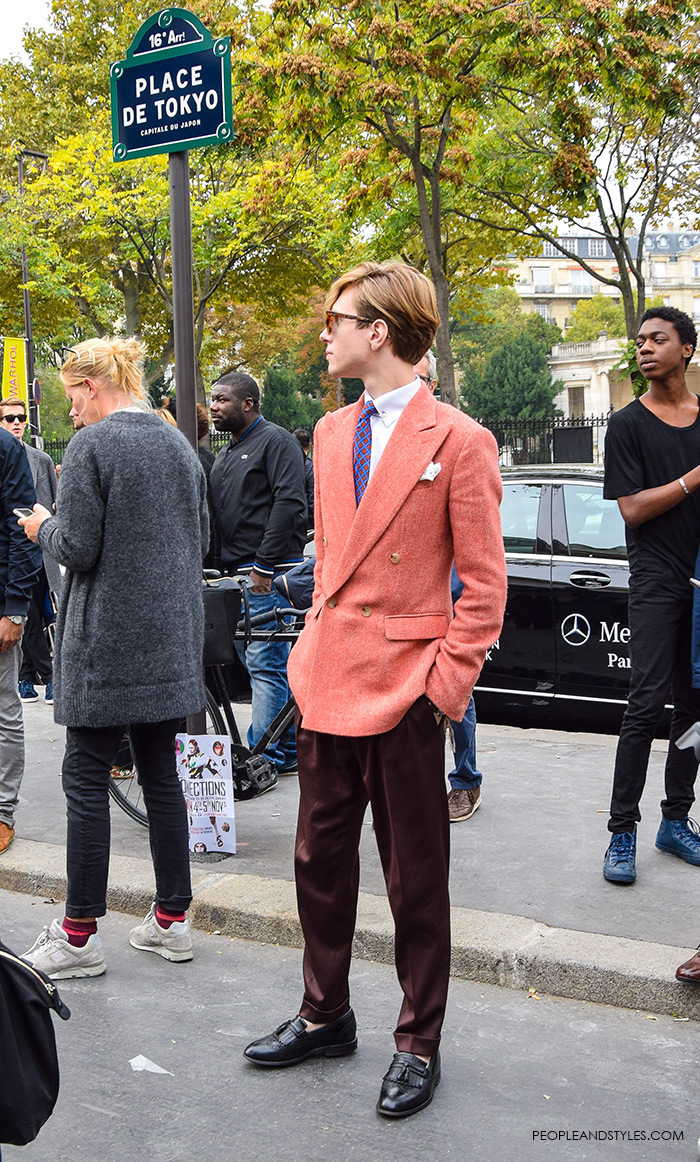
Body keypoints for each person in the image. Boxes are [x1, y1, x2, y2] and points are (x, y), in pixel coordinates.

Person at [243, 261, 507, 1117]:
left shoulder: (459, 439)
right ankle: (327, 1013)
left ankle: (417, 1041)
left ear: (379, 332)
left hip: (405, 691)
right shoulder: (326, 434)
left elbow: (487, 587)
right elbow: (332, 561)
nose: (326, 331)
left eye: (336, 318)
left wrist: (443, 690)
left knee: (413, 878)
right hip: (328, 682)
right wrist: (306, 644)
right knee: (317, 863)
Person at [19, 337, 209, 978]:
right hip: (169, 638)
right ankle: (172, 920)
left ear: (92, 387)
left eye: (72, 398)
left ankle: (77, 935)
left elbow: (77, 547)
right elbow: (199, 539)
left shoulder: (94, 446)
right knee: (161, 777)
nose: (70, 412)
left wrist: (39, 525)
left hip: (107, 641)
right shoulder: (176, 442)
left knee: (85, 778)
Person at [603, 307, 700, 885]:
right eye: (639, 341)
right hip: (657, 582)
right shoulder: (627, 424)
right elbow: (634, 509)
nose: (643, 348)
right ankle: (621, 831)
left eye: (657, 339)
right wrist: (693, 477)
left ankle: (675, 819)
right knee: (645, 707)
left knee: (695, 711)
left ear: (687, 349)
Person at [209, 372, 307, 777]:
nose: (213, 406)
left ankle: (264, 756)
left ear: (248, 403)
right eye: (213, 399)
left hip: (265, 571)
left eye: (222, 399)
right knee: (258, 665)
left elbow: (290, 502)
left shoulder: (277, 441)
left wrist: (264, 566)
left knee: (266, 662)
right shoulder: (229, 450)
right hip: (236, 573)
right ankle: (282, 749)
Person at [414, 355, 484, 823]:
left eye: (420, 377)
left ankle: (465, 781)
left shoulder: (458, 438)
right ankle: (418, 783)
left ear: (434, 382)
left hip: (452, 597)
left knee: (458, 694)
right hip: (410, 599)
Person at [0, 400, 59, 705]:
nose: (17, 422)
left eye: (21, 417)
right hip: (13, 557)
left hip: (38, 549)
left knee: (36, 615)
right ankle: (31, 676)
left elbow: (54, 500)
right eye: (9, 417)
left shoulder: (41, 458)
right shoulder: (7, 452)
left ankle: (45, 677)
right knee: (31, 619)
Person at [0, 423, 42, 854]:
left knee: (4, 710)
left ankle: (2, 811)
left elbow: (21, 526)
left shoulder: (5, 448)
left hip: (0, 605)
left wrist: (15, 607)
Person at [292, 427, 314, 529]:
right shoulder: (311, 468)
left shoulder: (285, 465)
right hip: (306, 522)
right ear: (309, 446)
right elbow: (312, 498)